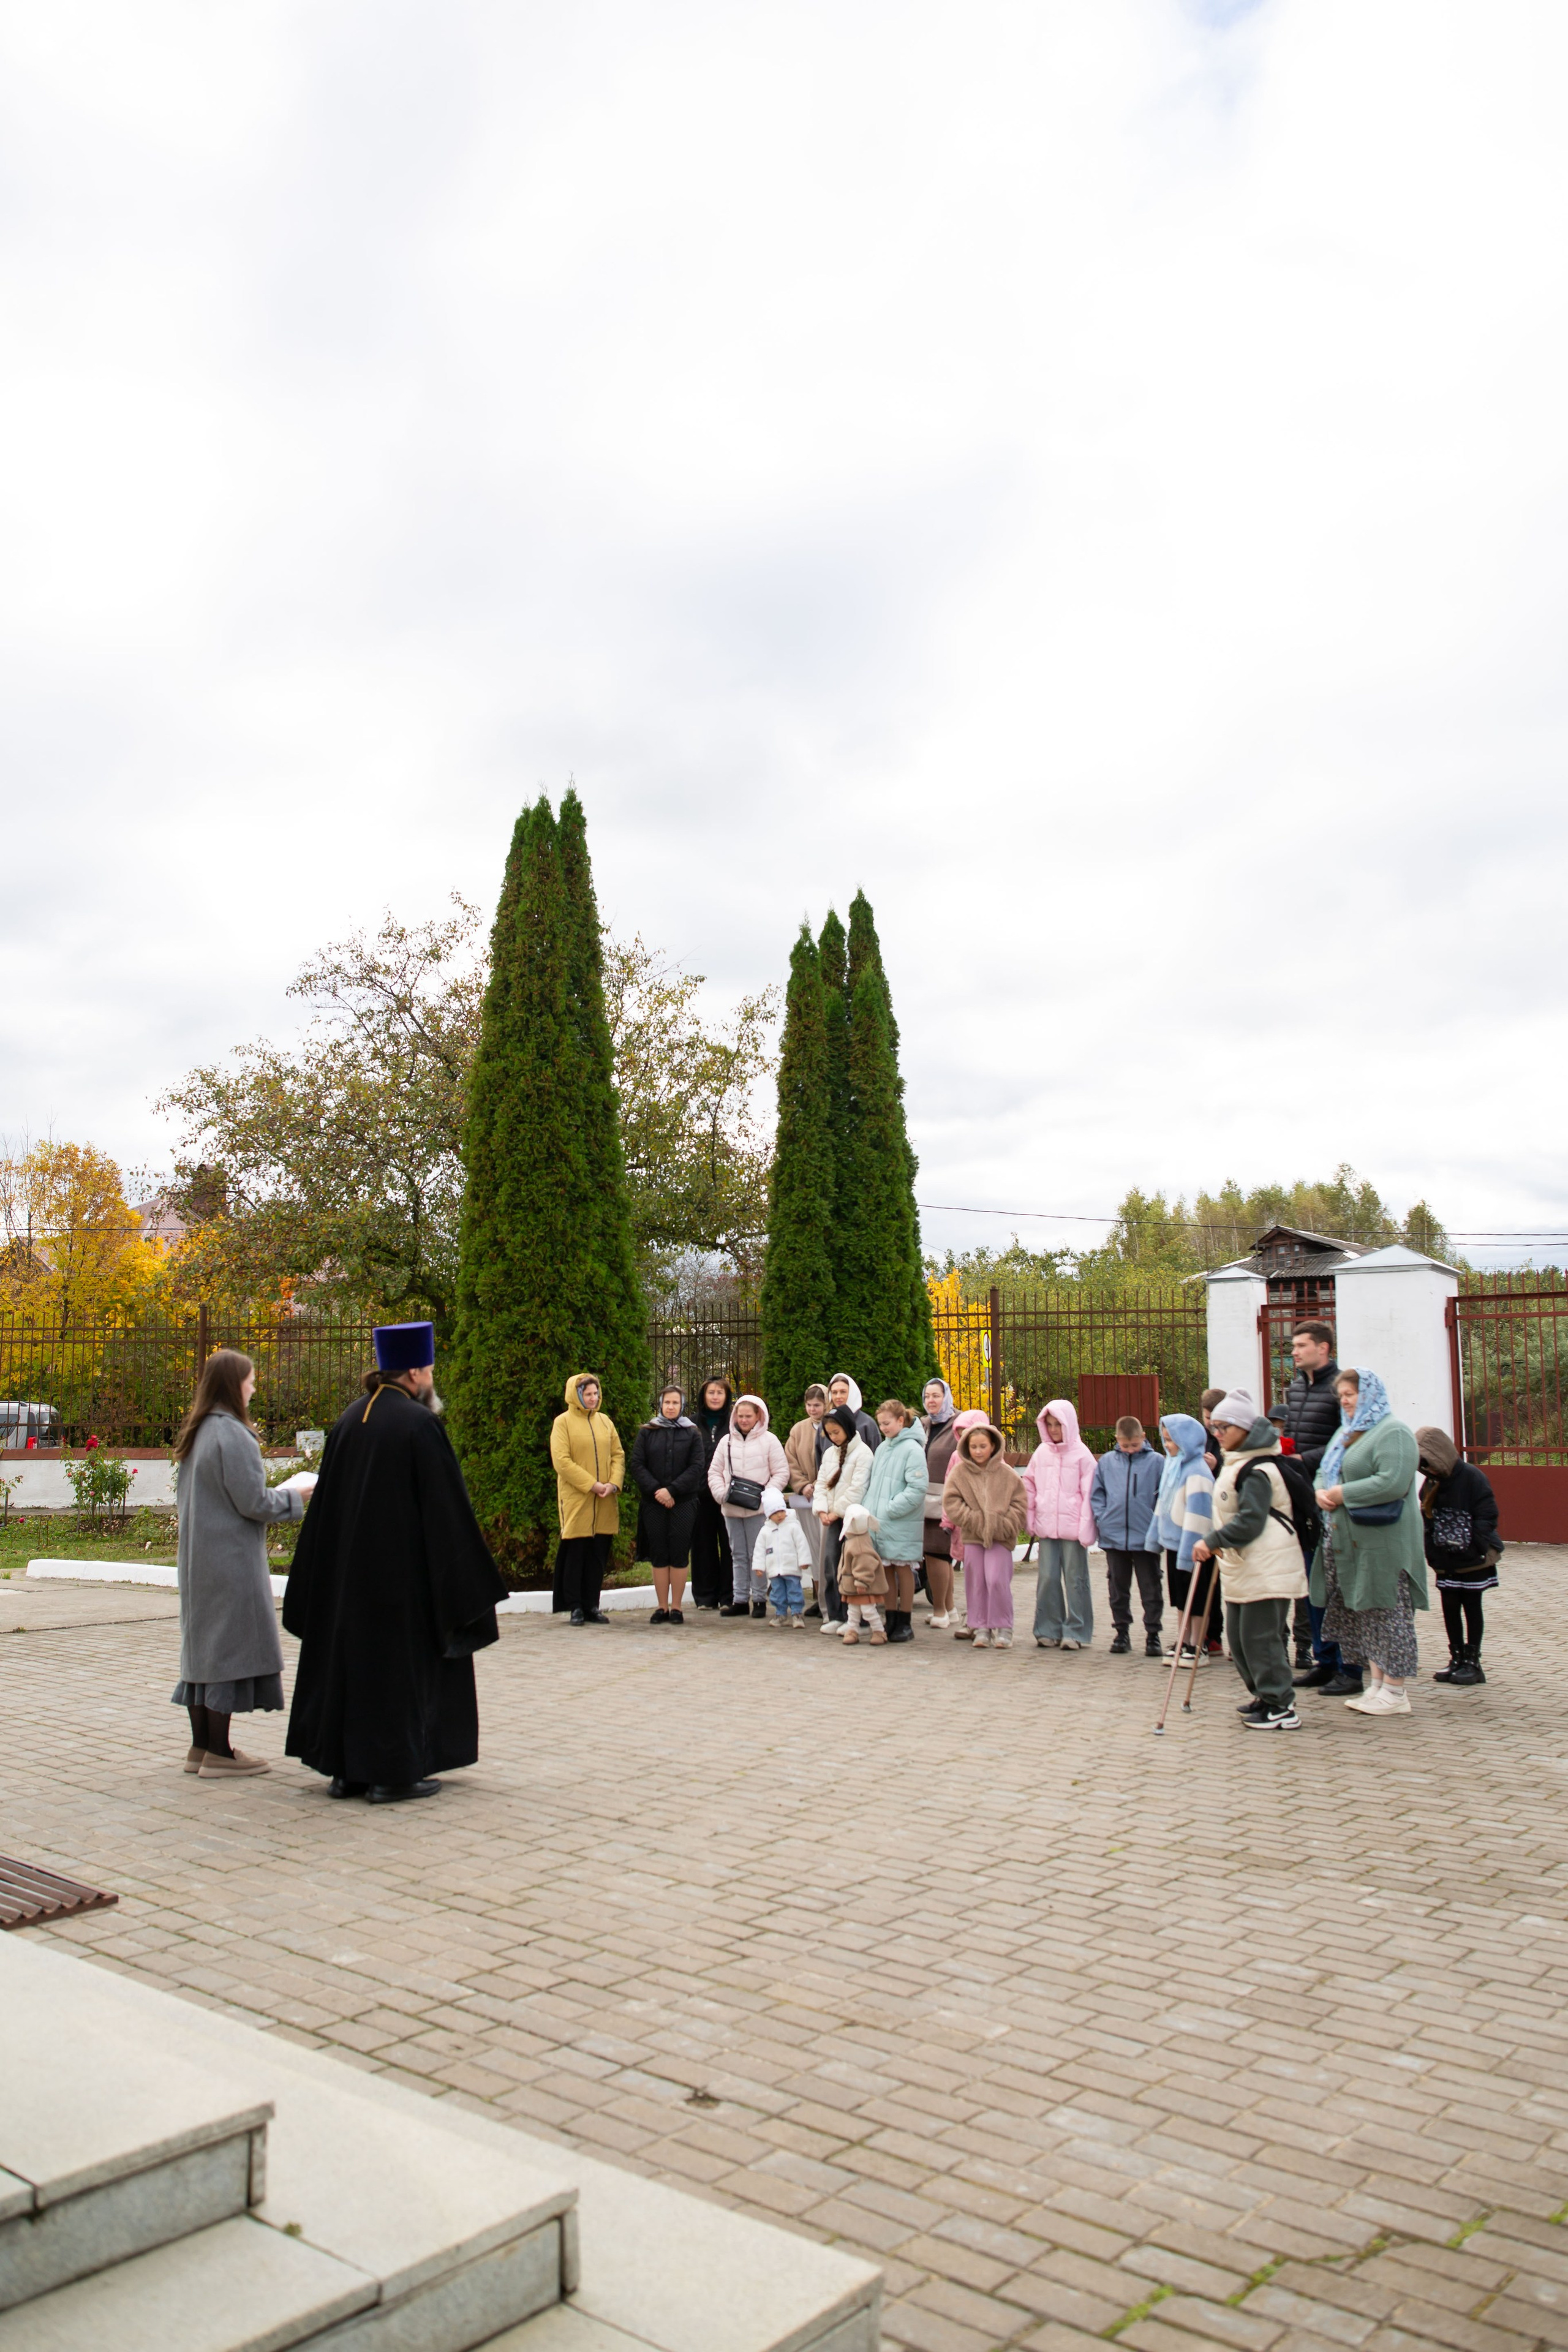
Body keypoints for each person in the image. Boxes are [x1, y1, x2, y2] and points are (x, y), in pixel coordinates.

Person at [284, 1322, 505, 1801]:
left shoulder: (349, 1418)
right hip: (402, 1583)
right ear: (413, 1372)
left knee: (352, 1670)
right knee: (396, 1674)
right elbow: (446, 1511)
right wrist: (466, 1580)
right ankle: (393, 1774)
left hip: (347, 1583)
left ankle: (347, 1772)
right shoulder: (419, 1424)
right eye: (428, 1370)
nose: (431, 1379)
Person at [172, 1348, 306, 1780]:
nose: (253, 1387)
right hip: (230, 1562)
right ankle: (221, 1754)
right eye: (249, 1380)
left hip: (198, 1562)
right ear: (234, 1384)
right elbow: (253, 1502)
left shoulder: (199, 1431)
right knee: (227, 1653)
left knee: (203, 1652)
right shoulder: (233, 1434)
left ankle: (200, 1748)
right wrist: (298, 1497)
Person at [1311, 1368, 1428, 1717]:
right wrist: (1320, 1491)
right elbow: (1325, 1469)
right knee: (1365, 1612)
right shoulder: (1348, 1433)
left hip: (1384, 1544)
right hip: (1350, 1541)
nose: (1345, 1401)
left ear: (1371, 1393)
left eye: (1351, 1394)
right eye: (1342, 1395)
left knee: (1388, 1612)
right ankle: (1376, 1685)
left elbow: (1393, 1481)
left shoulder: (1393, 1432)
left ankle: (1395, 1691)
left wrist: (1343, 1493)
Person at [1189, 1390, 1306, 1731]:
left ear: (1243, 1427)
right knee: (1240, 1638)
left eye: (1224, 1426)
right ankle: (1264, 1695)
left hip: (1267, 1565)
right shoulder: (1238, 1459)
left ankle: (1282, 1705)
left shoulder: (1259, 1468)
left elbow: (1251, 1520)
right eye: (1215, 1426)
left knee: (1261, 1638)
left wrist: (1213, 1541)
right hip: (1244, 1564)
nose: (1217, 1433)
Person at [1280, 1321, 1346, 1683]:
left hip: (1329, 1495)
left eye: (1302, 1345)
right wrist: (1285, 1452)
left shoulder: (1341, 1388)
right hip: (1299, 1493)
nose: (1294, 1351)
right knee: (1309, 1578)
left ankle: (1345, 1659)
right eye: (1294, 1345)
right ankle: (1322, 1658)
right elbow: (1293, 1434)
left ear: (1323, 1348)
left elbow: (1345, 1439)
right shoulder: (1296, 1388)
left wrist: (1306, 1459)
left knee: (1332, 1582)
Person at [1415, 1427, 1501, 1686]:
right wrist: (1433, 1551)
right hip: (1445, 1557)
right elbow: (1427, 1516)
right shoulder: (1432, 1482)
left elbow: (1488, 1514)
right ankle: (1456, 1658)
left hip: (1474, 1558)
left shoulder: (1473, 1477)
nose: (1426, 1469)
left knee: (1471, 1606)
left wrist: (1474, 1544)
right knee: (1450, 1606)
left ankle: (1473, 1663)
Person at [943, 1419, 1028, 1649]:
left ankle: (1004, 1626)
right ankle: (980, 1626)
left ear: (993, 1446)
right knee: (976, 1581)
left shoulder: (1007, 1474)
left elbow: (1020, 1503)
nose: (978, 1451)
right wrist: (975, 1520)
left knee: (997, 1579)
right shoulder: (960, 1473)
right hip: (973, 1536)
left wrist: (1005, 1524)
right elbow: (951, 1501)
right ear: (967, 1448)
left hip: (1000, 1537)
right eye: (974, 1447)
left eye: (983, 1446)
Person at [550, 1373, 625, 1624]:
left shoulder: (606, 1422)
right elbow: (562, 1461)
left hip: (605, 1499)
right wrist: (591, 1485)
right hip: (578, 1498)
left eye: (596, 1394)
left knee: (597, 1554)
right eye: (588, 1394)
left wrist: (613, 1484)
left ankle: (592, 1604)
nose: (593, 1398)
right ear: (577, 1395)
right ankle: (575, 1606)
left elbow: (618, 1454)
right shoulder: (563, 1423)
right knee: (576, 1551)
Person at [1024, 1397, 1098, 1653]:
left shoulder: (1082, 1455)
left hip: (1074, 1531)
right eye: (1050, 1424)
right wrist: (1030, 1518)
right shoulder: (1041, 1453)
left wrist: (1087, 1528)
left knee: (1077, 1580)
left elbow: (1091, 1494)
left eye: (1059, 1424)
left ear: (1070, 1424)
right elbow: (1029, 1486)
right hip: (1046, 1528)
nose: (1054, 1429)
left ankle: (1077, 1630)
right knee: (1047, 1578)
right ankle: (1048, 1628)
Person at [1144, 1414, 1217, 1660]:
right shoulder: (1172, 1466)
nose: (1167, 1445)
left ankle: (1198, 1644)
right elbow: (1162, 1504)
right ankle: (1182, 1639)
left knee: (1196, 1597)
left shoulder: (1198, 1472)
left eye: (1171, 1440)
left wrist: (1190, 1551)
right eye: (1165, 1440)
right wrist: (1155, 1537)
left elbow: (1199, 1517)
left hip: (1193, 1549)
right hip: (1174, 1546)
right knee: (1180, 1597)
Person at [1090, 1415, 1164, 1657]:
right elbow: (1097, 1494)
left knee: (1150, 1587)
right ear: (1117, 1440)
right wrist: (1102, 1519)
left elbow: (1164, 1496)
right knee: (1117, 1587)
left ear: (1143, 1438)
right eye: (1125, 1446)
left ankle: (1153, 1634)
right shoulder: (1107, 1462)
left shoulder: (1157, 1462)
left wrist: (1157, 1523)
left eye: (1135, 1445)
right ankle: (1121, 1632)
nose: (1131, 1450)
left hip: (1146, 1538)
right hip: (1114, 1536)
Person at [709, 1392, 788, 1618]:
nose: (743, 1420)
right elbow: (715, 1471)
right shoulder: (726, 1441)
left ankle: (760, 1599)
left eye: (748, 1416)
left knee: (758, 1553)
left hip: (758, 1508)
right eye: (740, 1416)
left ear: (758, 1416)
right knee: (738, 1554)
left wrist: (767, 1495)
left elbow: (781, 1472)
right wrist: (720, 1494)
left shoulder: (770, 1441)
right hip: (731, 1507)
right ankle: (740, 1599)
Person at [628, 1387, 704, 1623]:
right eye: (667, 1402)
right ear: (660, 1404)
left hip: (683, 1502)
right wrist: (657, 1491)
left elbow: (697, 1466)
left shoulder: (692, 1433)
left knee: (679, 1554)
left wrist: (672, 1490)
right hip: (654, 1502)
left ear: (682, 1406)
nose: (671, 1406)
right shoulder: (647, 1432)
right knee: (660, 1554)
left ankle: (678, 1607)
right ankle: (662, 1606)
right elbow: (637, 1465)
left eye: (675, 1402)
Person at [861, 1400, 930, 1643]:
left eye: (888, 1423)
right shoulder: (883, 1448)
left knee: (903, 1569)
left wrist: (891, 1508)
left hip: (899, 1521)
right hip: (881, 1523)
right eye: (881, 1424)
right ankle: (890, 1618)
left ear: (901, 1421)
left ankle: (905, 1620)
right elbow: (874, 1484)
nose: (884, 1428)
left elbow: (918, 1487)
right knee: (886, 1570)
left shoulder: (912, 1449)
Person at [813, 1403, 875, 1632]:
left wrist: (836, 1511)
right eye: (829, 1434)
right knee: (831, 1564)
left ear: (848, 1428)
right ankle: (836, 1614)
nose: (833, 1437)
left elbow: (857, 1489)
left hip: (851, 1520)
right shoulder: (830, 1453)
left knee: (854, 1568)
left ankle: (861, 1619)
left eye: (836, 1432)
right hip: (831, 1518)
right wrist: (821, 1510)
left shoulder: (863, 1454)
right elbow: (821, 1483)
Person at [940, 1408, 992, 1640]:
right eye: (960, 1434)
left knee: (991, 1577)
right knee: (972, 1576)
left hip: (991, 1529)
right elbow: (950, 1493)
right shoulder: (956, 1458)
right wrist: (948, 1521)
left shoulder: (995, 1461)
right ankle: (973, 1618)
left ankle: (990, 1620)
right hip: (965, 1527)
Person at [690, 1379, 735, 1610]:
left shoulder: (735, 1423)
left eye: (720, 1393)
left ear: (727, 1397)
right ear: (703, 1395)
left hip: (729, 1495)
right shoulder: (691, 1424)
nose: (716, 1397)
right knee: (702, 1547)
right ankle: (705, 1597)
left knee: (730, 1546)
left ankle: (729, 1596)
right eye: (711, 1392)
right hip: (700, 1496)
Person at [919, 1378, 960, 1628]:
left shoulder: (959, 1425)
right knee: (937, 1556)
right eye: (927, 1397)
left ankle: (940, 1611)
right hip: (923, 1501)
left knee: (938, 1555)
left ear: (947, 1397)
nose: (931, 1401)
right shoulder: (923, 1425)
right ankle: (951, 1609)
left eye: (936, 1396)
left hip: (946, 1500)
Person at [784, 1383, 829, 1605]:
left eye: (818, 1405)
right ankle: (817, 1596)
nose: (813, 1410)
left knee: (826, 1547)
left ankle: (828, 1598)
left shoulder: (834, 1426)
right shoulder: (798, 1430)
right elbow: (790, 1460)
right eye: (810, 1405)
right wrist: (802, 1485)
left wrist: (820, 1484)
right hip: (805, 1499)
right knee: (811, 1547)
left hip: (827, 1498)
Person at [756, 1486, 813, 1626]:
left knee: (795, 1591)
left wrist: (804, 1561)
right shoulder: (765, 1531)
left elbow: (802, 1544)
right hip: (775, 1570)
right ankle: (780, 1613)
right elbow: (759, 1550)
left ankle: (797, 1613)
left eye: (782, 1511)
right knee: (777, 1593)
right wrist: (759, 1566)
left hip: (791, 1568)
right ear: (769, 1514)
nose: (780, 1515)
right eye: (775, 1513)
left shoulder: (793, 1526)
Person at [821, 1373, 881, 1456]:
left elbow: (876, 1457)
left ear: (852, 1393)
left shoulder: (867, 1424)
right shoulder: (825, 1424)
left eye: (843, 1392)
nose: (838, 1396)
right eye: (834, 1393)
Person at [1199, 1390, 1228, 1479]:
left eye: (1214, 1418)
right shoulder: (1199, 1436)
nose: (1211, 1423)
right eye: (1208, 1418)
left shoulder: (1230, 1438)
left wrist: (1216, 1467)